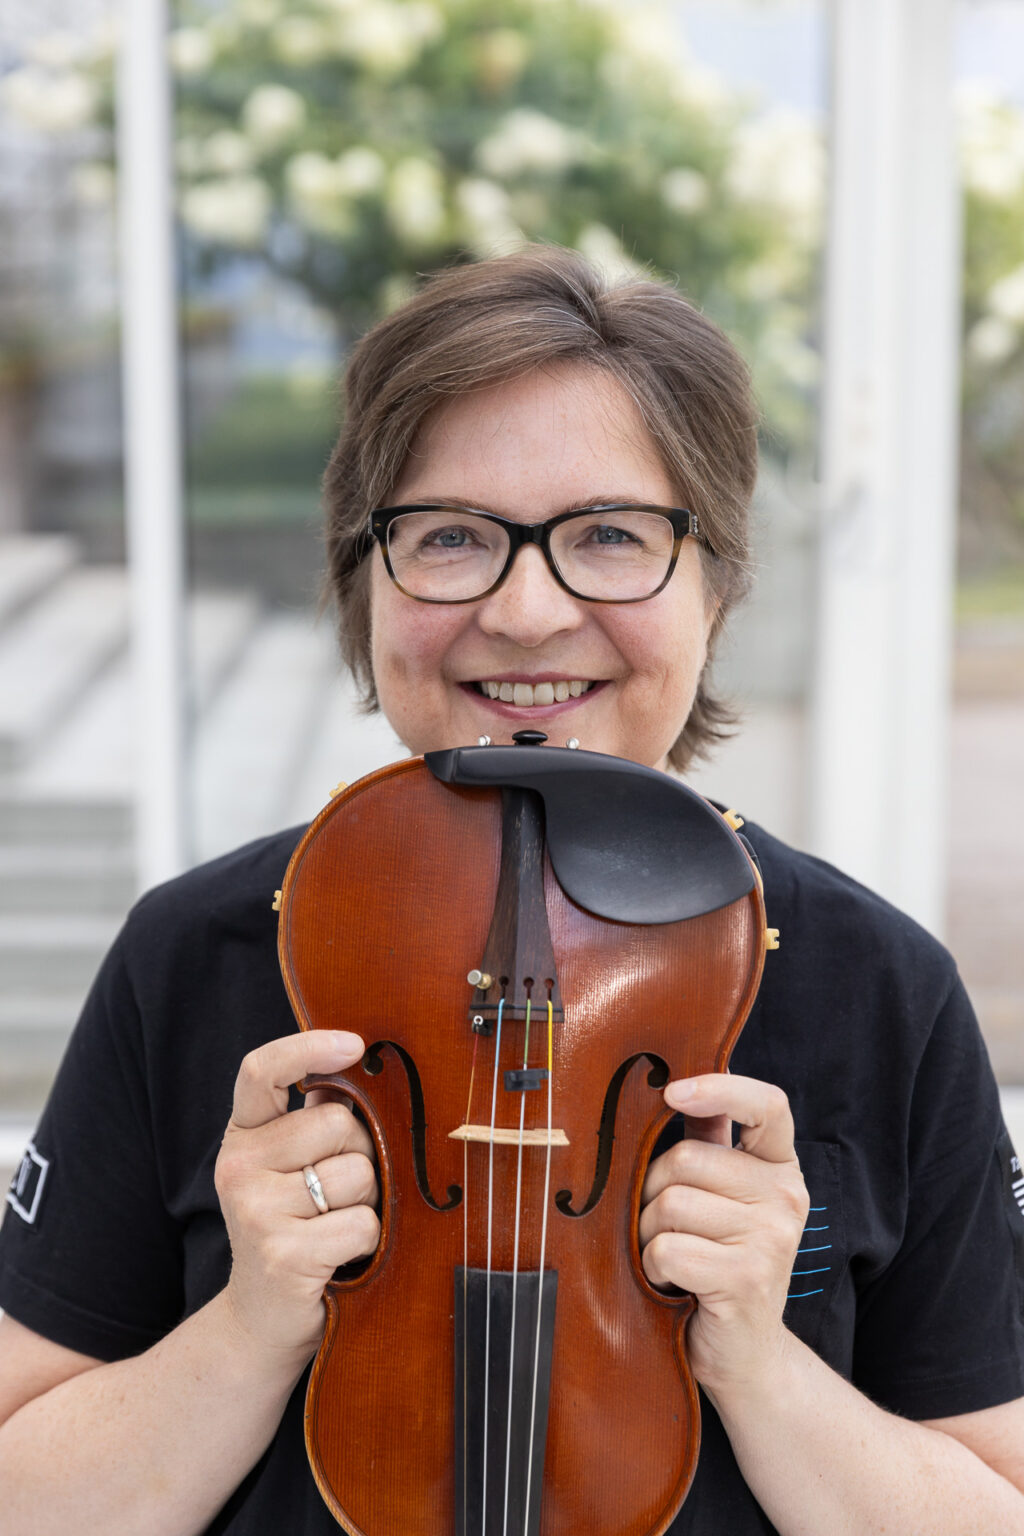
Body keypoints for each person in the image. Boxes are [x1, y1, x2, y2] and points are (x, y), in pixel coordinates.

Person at [1, 245, 1023, 1536]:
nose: (528, 611)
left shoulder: (887, 988)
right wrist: (250, 1328)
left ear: (716, 580)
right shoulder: (186, 956)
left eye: (608, 536)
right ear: (362, 576)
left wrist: (760, 1367)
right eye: (451, 538)